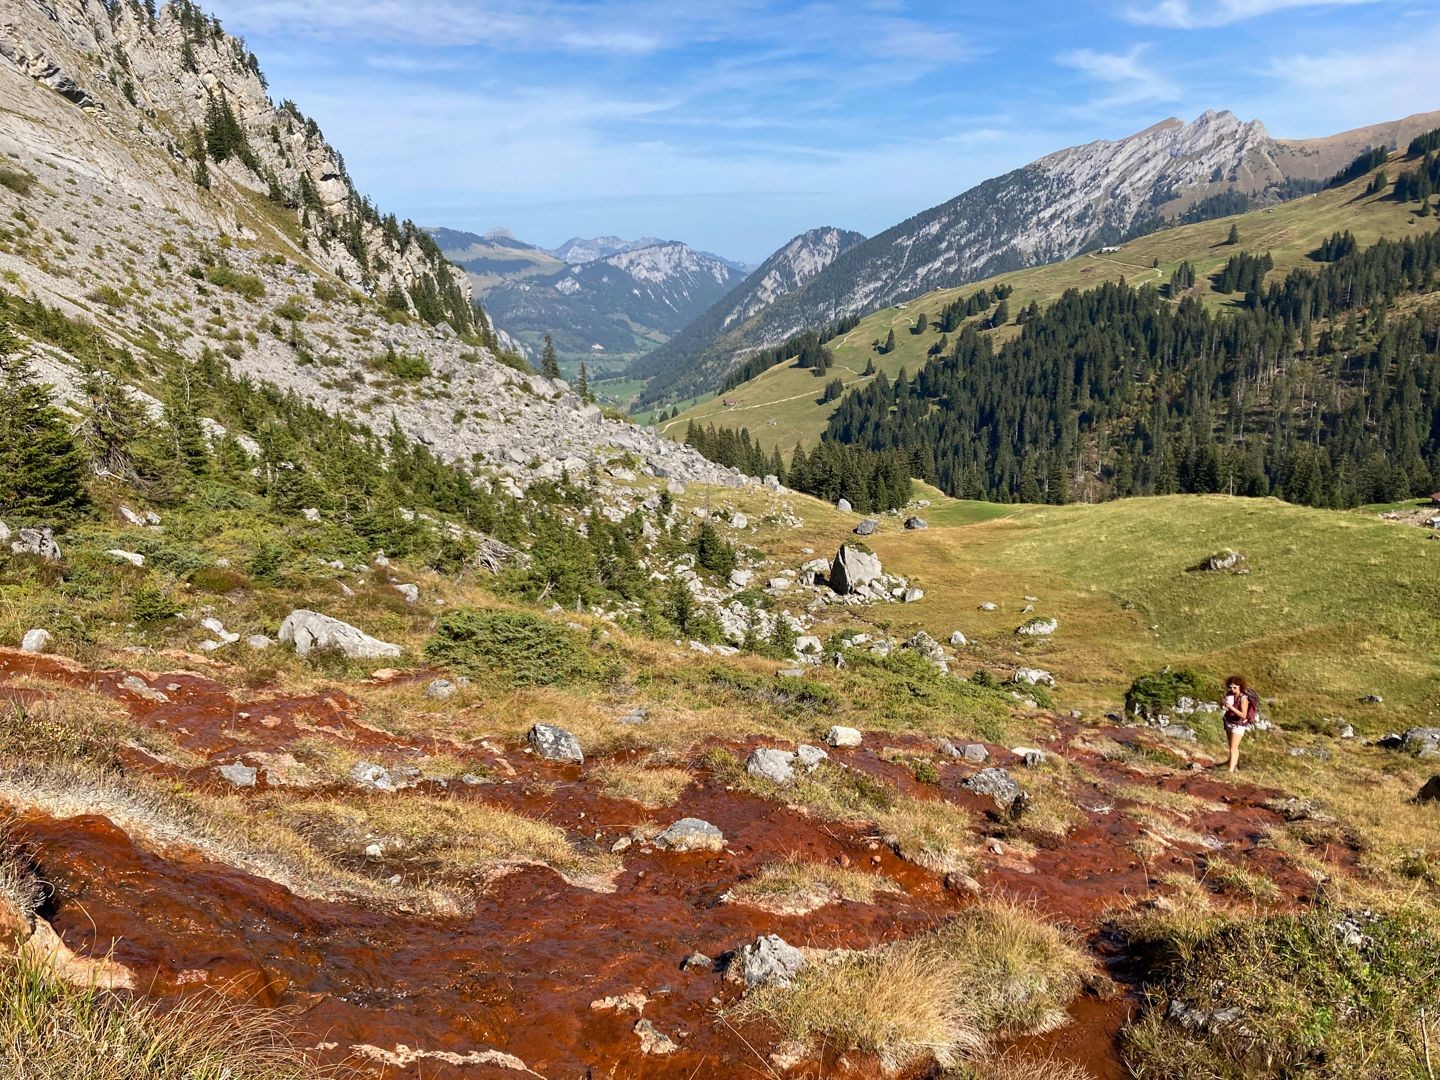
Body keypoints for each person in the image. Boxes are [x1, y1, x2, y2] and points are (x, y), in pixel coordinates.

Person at [1220, 675, 1256, 773]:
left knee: (1233, 748)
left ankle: (1230, 771)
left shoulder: (1243, 699)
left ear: (1240, 687)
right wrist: (1223, 704)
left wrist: (1231, 707)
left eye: (1235, 687)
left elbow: (1243, 715)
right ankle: (1236, 768)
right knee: (1232, 747)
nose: (1232, 689)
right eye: (1230, 687)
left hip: (1238, 725)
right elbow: (1222, 705)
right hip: (1229, 722)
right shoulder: (1229, 695)